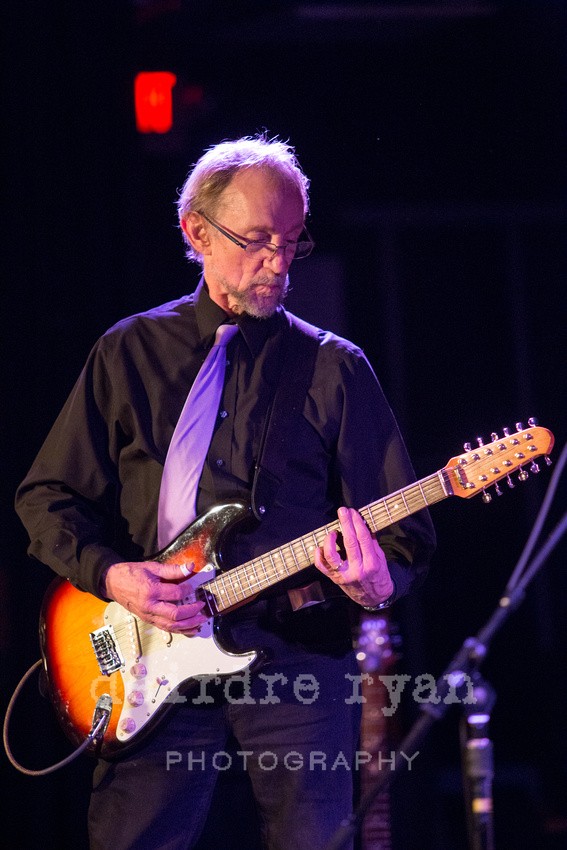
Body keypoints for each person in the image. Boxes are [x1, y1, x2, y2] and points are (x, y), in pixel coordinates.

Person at [15, 133, 435, 850]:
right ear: (196, 231)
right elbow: (46, 497)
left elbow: (402, 538)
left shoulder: (336, 369)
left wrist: (374, 583)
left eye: (293, 242)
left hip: (295, 655)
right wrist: (115, 577)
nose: (277, 263)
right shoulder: (130, 351)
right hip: (149, 650)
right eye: (256, 240)